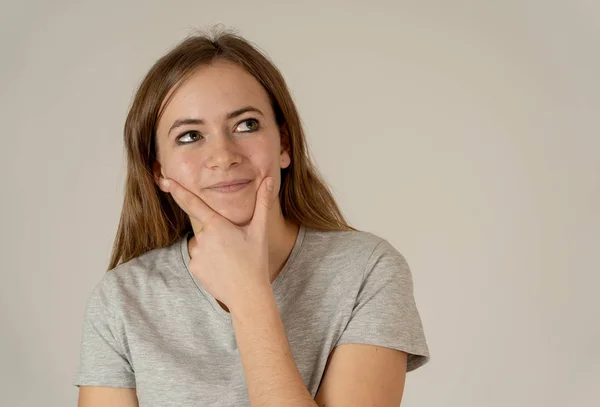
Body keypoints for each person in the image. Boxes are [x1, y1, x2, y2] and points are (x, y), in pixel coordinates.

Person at [73, 27, 430, 407]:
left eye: (246, 125)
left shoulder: (368, 271)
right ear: (158, 170)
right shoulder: (121, 300)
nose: (224, 156)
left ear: (284, 145)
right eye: (190, 136)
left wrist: (250, 296)